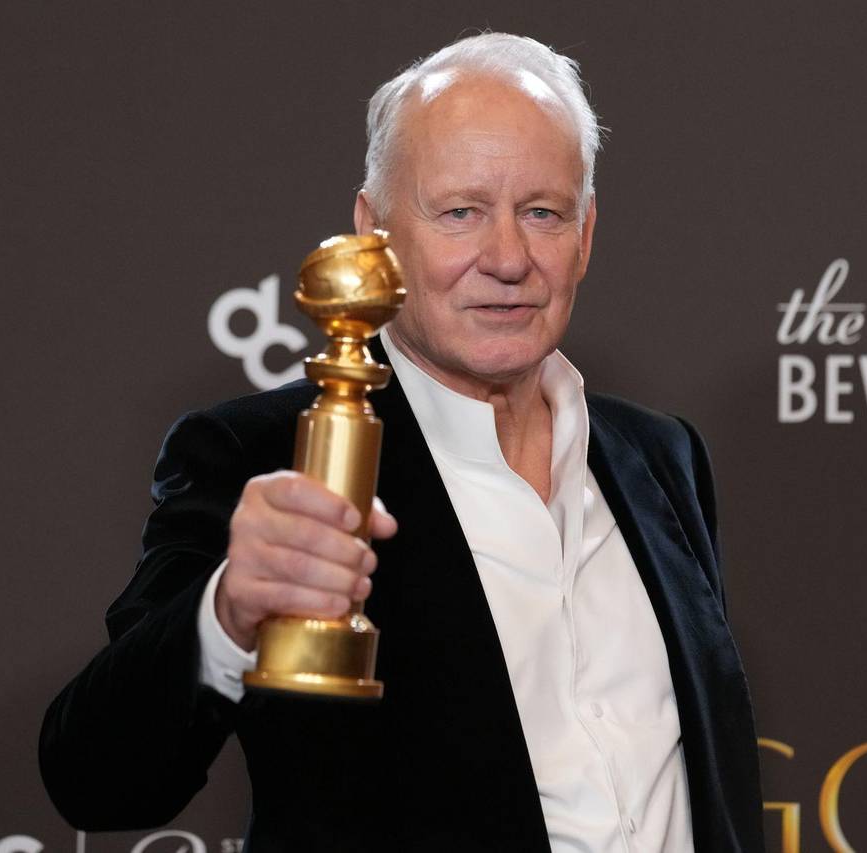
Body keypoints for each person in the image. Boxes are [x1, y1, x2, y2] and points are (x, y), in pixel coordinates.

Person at [40, 33, 764, 852]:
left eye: (542, 213)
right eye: (460, 212)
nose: (508, 258)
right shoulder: (270, 455)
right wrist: (229, 609)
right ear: (373, 231)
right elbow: (92, 775)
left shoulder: (663, 458)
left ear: (586, 233)